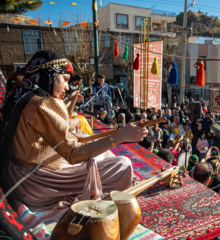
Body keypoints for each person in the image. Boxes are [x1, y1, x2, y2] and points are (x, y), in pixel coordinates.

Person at [0, 50, 148, 208]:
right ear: (49, 75)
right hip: (35, 182)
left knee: (101, 150)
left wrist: (69, 101)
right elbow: (74, 154)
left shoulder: (23, 94)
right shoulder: (41, 104)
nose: (66, 86)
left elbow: (56, 127)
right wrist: (121, 135)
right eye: (64, 79)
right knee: (123, 165)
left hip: (19, 173)